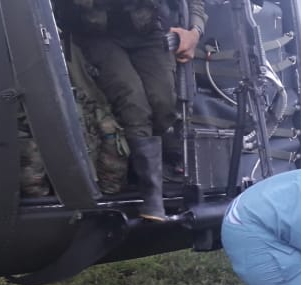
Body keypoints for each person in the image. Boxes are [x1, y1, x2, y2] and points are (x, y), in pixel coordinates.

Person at [56, 0, 207, 220]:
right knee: (133, 101)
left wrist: (195, 31)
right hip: (98, 35)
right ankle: (151, 194)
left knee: (163, 102)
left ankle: (149, 162)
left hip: (148, 32)